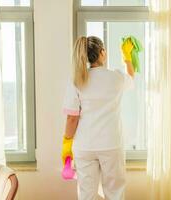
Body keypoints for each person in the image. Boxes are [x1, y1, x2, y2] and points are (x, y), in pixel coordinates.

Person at [61, 36, 135, 200]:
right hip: (111, 144)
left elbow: (72, 119)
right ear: (102, 53)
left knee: (87, 194)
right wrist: (127, 57)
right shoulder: (115, 77)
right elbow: (131, 77)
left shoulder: (77, 80)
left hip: (84, 145)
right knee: (115, 192)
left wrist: (67, 143)